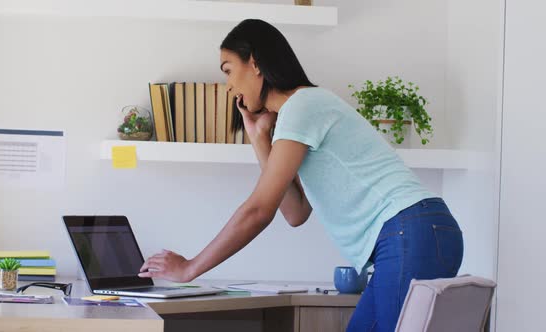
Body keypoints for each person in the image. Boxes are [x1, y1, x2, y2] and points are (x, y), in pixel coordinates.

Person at [138, 19, 464, 331]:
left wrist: (190, 267)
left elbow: (258, 210)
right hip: (415, 232)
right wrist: (258, 136)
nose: (228, 87)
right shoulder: (301, 114)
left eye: (228, 71)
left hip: (409, 229)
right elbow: (295, 213)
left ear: (254, 63)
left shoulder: (303, 105)